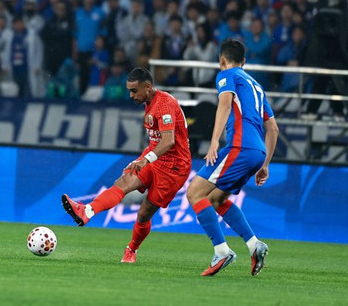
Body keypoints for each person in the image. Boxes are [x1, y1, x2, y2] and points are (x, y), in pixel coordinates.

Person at [62, 67, 192, 263]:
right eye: (129, 90)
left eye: (134, 90)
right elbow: (157, 140)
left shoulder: (164, 104)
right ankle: (87, 211)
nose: (131, 95)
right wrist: (144, 157)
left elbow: (168, 141)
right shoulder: (150, 103)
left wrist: (146, 159)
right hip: (155, 158)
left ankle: (131, 249)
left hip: (174, 167)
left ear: (147, 87)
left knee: (144, 214)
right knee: (123, 182)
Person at [185, 39, 279, 277]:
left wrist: (214, 141)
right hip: (257, 153)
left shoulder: (227, 75)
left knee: (194, 192)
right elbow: (273, 129)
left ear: (222, 61)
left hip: (240, 146)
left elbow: (225, 104)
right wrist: (265, 165)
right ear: (244, 61)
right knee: (216, 198)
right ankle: (254, 245)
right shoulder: (257, 87)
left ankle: (222, 251)